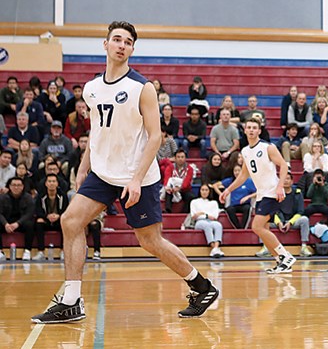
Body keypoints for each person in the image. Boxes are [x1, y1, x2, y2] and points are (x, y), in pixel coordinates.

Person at [32, 21, 219, 323]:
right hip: (103, 174)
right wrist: (83, 168)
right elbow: (97, 134)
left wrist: (134, 179)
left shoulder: (141, 88)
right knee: (70, 221)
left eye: (127, 41)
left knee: (149, 241)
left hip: (138, 176)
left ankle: (201, 286)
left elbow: (156, 137)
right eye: (116, 39)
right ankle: (71, 300)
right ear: (105, 45)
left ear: (132, 49)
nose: (121, 45)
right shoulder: (91, 89)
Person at [219, 118, 296, 272]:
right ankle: (280, 262)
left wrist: (281, 186)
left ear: (259, 130)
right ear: (245, 130)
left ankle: (286, 256)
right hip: (261, 194)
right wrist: (228, 190)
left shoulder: (268, 147)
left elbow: (283, 166)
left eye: (255, 127)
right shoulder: (245, 151)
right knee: (265, 229)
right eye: (249, 127)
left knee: (257, 227)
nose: (252, 130)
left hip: (272, 192)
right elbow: (243, 176)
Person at [271, 171, 312, 257]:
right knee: (264, 221)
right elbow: (273, 211)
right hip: (279, 221)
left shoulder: (297, 193)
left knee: (304, 219)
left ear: (292, 181)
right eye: (283, 179)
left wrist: (290, 222)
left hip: (293, 221)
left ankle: (304, 247)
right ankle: (266, 247)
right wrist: (279, 222)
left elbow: (300, 211)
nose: (285, 181)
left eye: (288, 179)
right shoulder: (276, 193)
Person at [34, 173, 68, 260]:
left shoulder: (63, 195)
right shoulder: (41, 196)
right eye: (49, 181)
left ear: (57, 183)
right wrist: (46, 216)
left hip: (59, 220)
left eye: (53, 181)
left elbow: (66, 210)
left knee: (66, 222)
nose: (51, 183)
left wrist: (58, 216)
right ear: (46, 183)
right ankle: (41, 251)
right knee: (39, 222)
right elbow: (38, 211)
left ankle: (63, 251)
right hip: (46, 220)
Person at [0, 177, 36, 260]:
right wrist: (5, 224)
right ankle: (0, 252)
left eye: (19, 185)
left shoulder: (28, 198)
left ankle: (27, 251)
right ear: (9, 186)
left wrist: (18, 223)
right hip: (7, 223)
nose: (16, 187)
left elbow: (29, 214)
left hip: (21, 223)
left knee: (30, 224)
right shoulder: (2, 198)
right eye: (14, 185)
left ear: (23, 187)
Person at [187, 183, 225, 258]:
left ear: (209, 191)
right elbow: (194, 216)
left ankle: (216, 247)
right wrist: (207, 215)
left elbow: (214, 216)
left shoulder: (214, 203)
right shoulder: (194, 202)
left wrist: (202, 213)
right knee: (207, 225)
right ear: (200, 191)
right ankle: (213, 248)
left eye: (206, 190)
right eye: (202, 190)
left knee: (218, 225)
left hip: (211, 221)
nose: (204, 192)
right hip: (199, 222)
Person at [221, 163, 254, 230]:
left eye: (239, 170)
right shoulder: (230, 181)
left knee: (247, 208)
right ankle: (238, 229)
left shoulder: (249, 181)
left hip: (245, 204)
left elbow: (257, 192)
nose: (237, 172)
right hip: (234, 205)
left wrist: (248, 197)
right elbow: (216, 185)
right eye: (235, 171)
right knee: (229, 209)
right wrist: (221, 194)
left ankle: (243, 229)